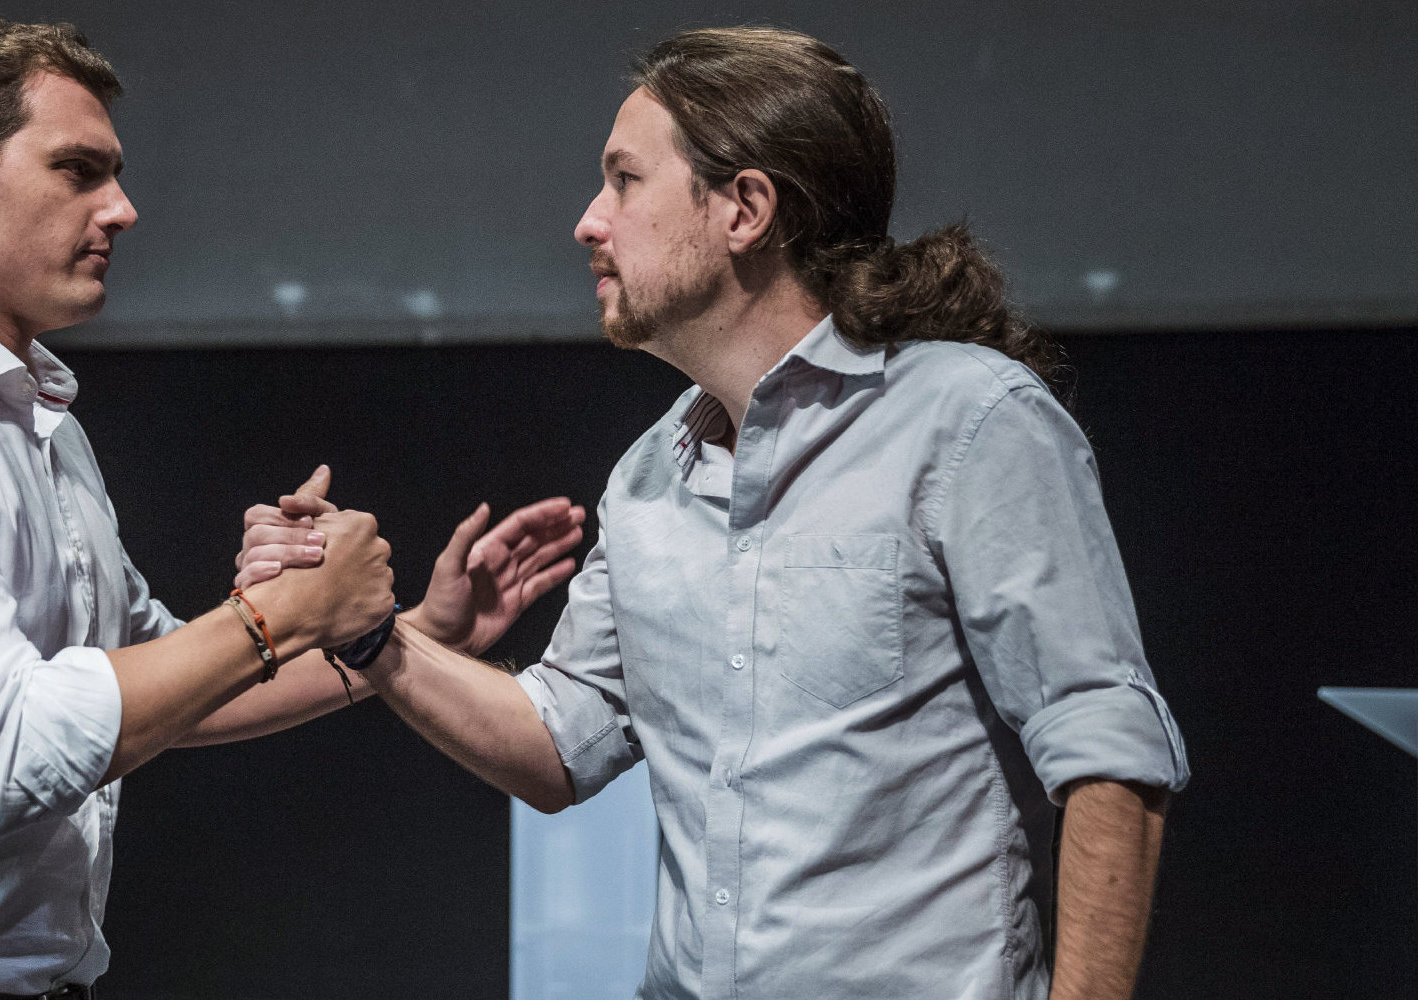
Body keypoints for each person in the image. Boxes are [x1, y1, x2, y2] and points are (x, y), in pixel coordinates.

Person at [248, 26, 1189, 1000]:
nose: (587, 221)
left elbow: (1107, 752)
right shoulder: (650, 475)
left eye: (622, 181)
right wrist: (368, 633)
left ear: (743, 209)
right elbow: (558, 741)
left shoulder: (968, 421)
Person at [0, 16, 581, 998]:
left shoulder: (37, 425)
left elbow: (172, 689)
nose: (121, 209)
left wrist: (396, 632)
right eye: (78, 170)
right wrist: (274, 616)